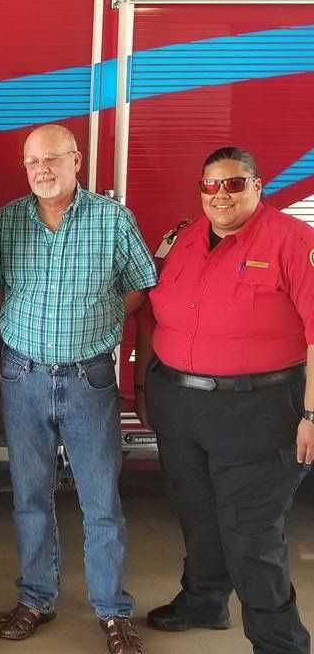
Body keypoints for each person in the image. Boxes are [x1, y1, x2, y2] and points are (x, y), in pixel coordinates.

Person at [0, 124, 155, 654]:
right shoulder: (6, 221)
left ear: (77, 160)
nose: (43, 170)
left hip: (89, 377)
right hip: (22, 376)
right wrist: (23, 325)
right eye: (33, 162)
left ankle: (112, 612)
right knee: (31, 496)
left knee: (101, 501)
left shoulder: (113, 220)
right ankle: (35, 598)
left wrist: (95, 323)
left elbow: (140, 287)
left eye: (53, 159)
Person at [135, 146, 314, 654]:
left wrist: (313, 413)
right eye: (210, 186)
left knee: (252, 534)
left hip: (259, 409)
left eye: (234, 184)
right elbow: (152, 313)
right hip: (181, 404)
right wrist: (147, 389)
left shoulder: (294, 241)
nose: (221, 195)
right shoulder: (183, 241)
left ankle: (279, 642)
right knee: (198, 513)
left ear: (258, 186)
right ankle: (205, 601)